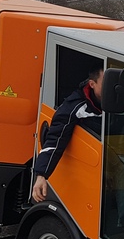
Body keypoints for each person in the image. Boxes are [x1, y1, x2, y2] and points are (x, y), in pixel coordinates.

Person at [31, 64, 104, 202]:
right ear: (92, 84)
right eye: (107, 83)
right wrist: (41, 175)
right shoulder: (74, 106)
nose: (112, 87)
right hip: (92, 168)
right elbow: (55, 138)